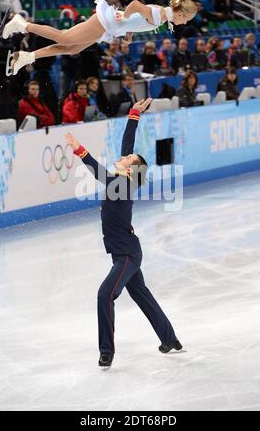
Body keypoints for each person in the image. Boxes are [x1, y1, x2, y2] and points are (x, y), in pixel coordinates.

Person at [65, 99, 183, 368]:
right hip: (126, 251)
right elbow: (127, 147)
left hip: (127, 255)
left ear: (130, 169)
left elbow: (100, 173)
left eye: (128, 159)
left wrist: (80, 150)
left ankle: (106, 351)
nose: (124, 156)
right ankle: (170, 338)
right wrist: (133, 115)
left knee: (104, 295)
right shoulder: (127, 179)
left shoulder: (123, 184)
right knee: (141, 294)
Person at [2, 0, 197, 75]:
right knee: (64, 38)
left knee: (70, 49)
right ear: (180, 13)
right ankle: (22, 24)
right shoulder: (160, 15)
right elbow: (135, 5)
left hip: (107, 28)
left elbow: (138, 16)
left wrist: (128, 30)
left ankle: (27, 56)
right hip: (105, 23)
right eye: (185, 19)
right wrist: (125, 16)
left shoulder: (162, 15)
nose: (184, 23)